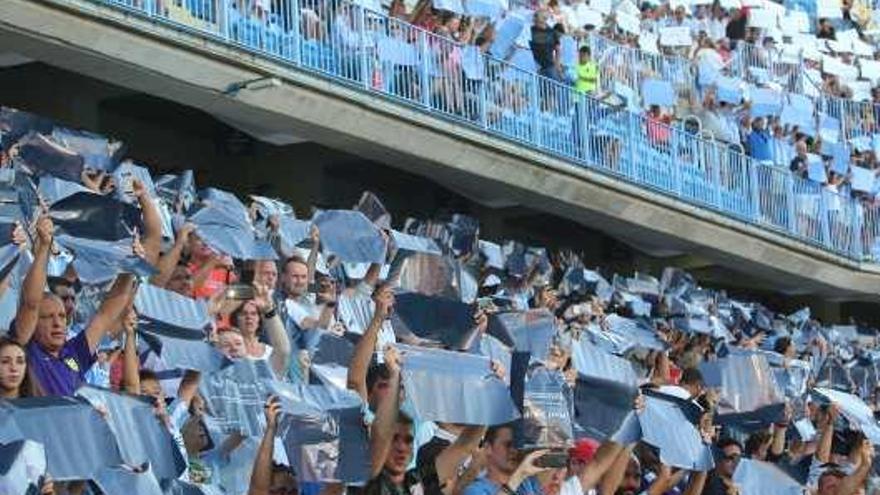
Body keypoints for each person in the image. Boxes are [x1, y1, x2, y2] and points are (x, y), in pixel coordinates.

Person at [13, 217, 135, 396]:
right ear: (32, 322)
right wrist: (45, 246)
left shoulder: (73, 351)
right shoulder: (26, 351)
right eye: (48, 317)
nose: (57, 323)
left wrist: (130, 267)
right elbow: (31, 303)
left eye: (62, 316)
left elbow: (105, 316)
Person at [365, 346, 486, 495]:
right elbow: (381, 430)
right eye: (394, 439)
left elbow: (465, 445)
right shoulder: (369, 485)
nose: (401, 447)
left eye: (408, 440)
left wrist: (490, 388)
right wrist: (395, 375)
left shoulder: (416, 483)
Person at [530, 10, 562, 81]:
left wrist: (557, 64)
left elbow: (558, 49)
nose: (534, 20)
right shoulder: (531, 30)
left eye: (537, 18)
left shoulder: (552, 32)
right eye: (534, 18)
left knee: (553, 88)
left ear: (544, 19)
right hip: (535, 65)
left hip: (549, 66)